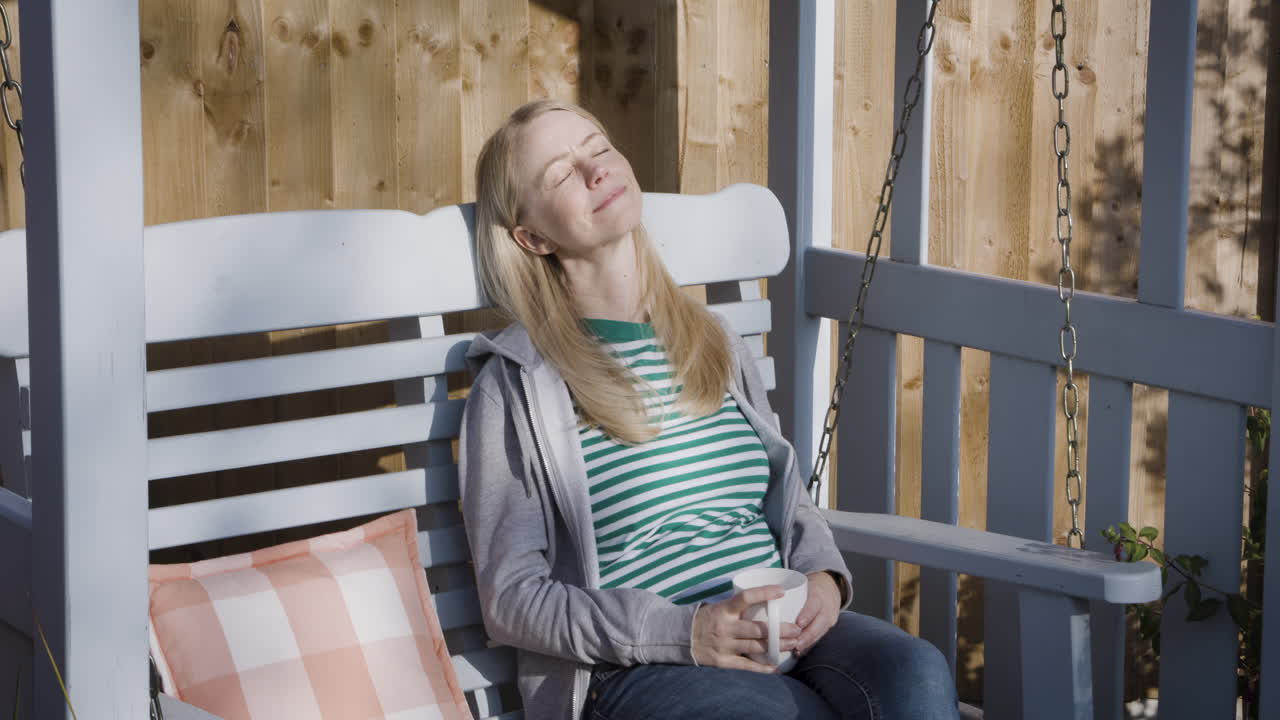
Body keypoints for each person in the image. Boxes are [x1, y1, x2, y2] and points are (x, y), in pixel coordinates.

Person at [459, 98, 959, 720]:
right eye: (560, 174)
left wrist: (824, 579)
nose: (594, 171)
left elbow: (787, 503)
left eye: (598, 147)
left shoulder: (713, 340)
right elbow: (511, 599)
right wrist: (685, 631)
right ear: (532, 237)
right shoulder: (518, 386)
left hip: (787, 632)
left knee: (915, 670)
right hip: (642, 668)